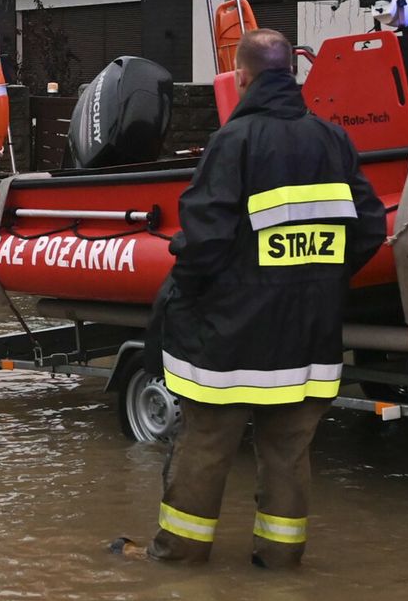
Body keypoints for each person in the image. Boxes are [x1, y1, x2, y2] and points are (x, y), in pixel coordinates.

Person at [117, 29, 385, 570]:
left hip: (232, 339)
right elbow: (369, 229)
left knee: (206, 448)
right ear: (292, 73)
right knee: (288, 456)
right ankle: (280, 568)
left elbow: (204, 241)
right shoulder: (333, 142)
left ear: (242, 76)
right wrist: (319, 280)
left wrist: (189, 296)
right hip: (309, 337)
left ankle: (177, 564)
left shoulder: (234, 142)